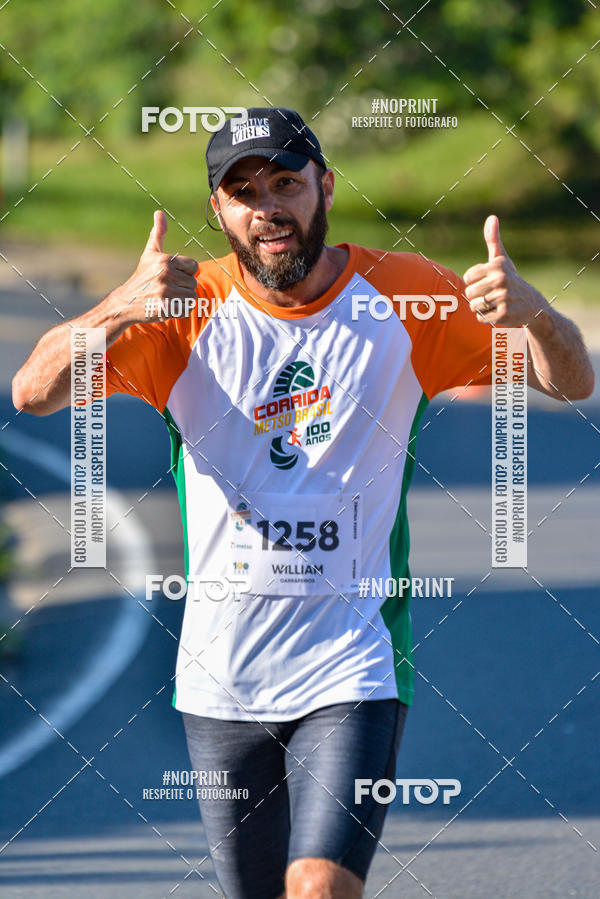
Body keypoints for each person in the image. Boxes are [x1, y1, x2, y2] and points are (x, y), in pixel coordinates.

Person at [11, 106, 594, 899]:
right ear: (218, 211)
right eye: (244, 193)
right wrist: (118, 306)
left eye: (286, 183)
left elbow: (571, 381)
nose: (268, 208)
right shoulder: (182, 311)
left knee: (319, 885)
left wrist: (538, 317)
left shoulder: (407, 296)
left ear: (326, 186)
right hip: (221, 678)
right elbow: (34, 391)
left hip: (353, 663)